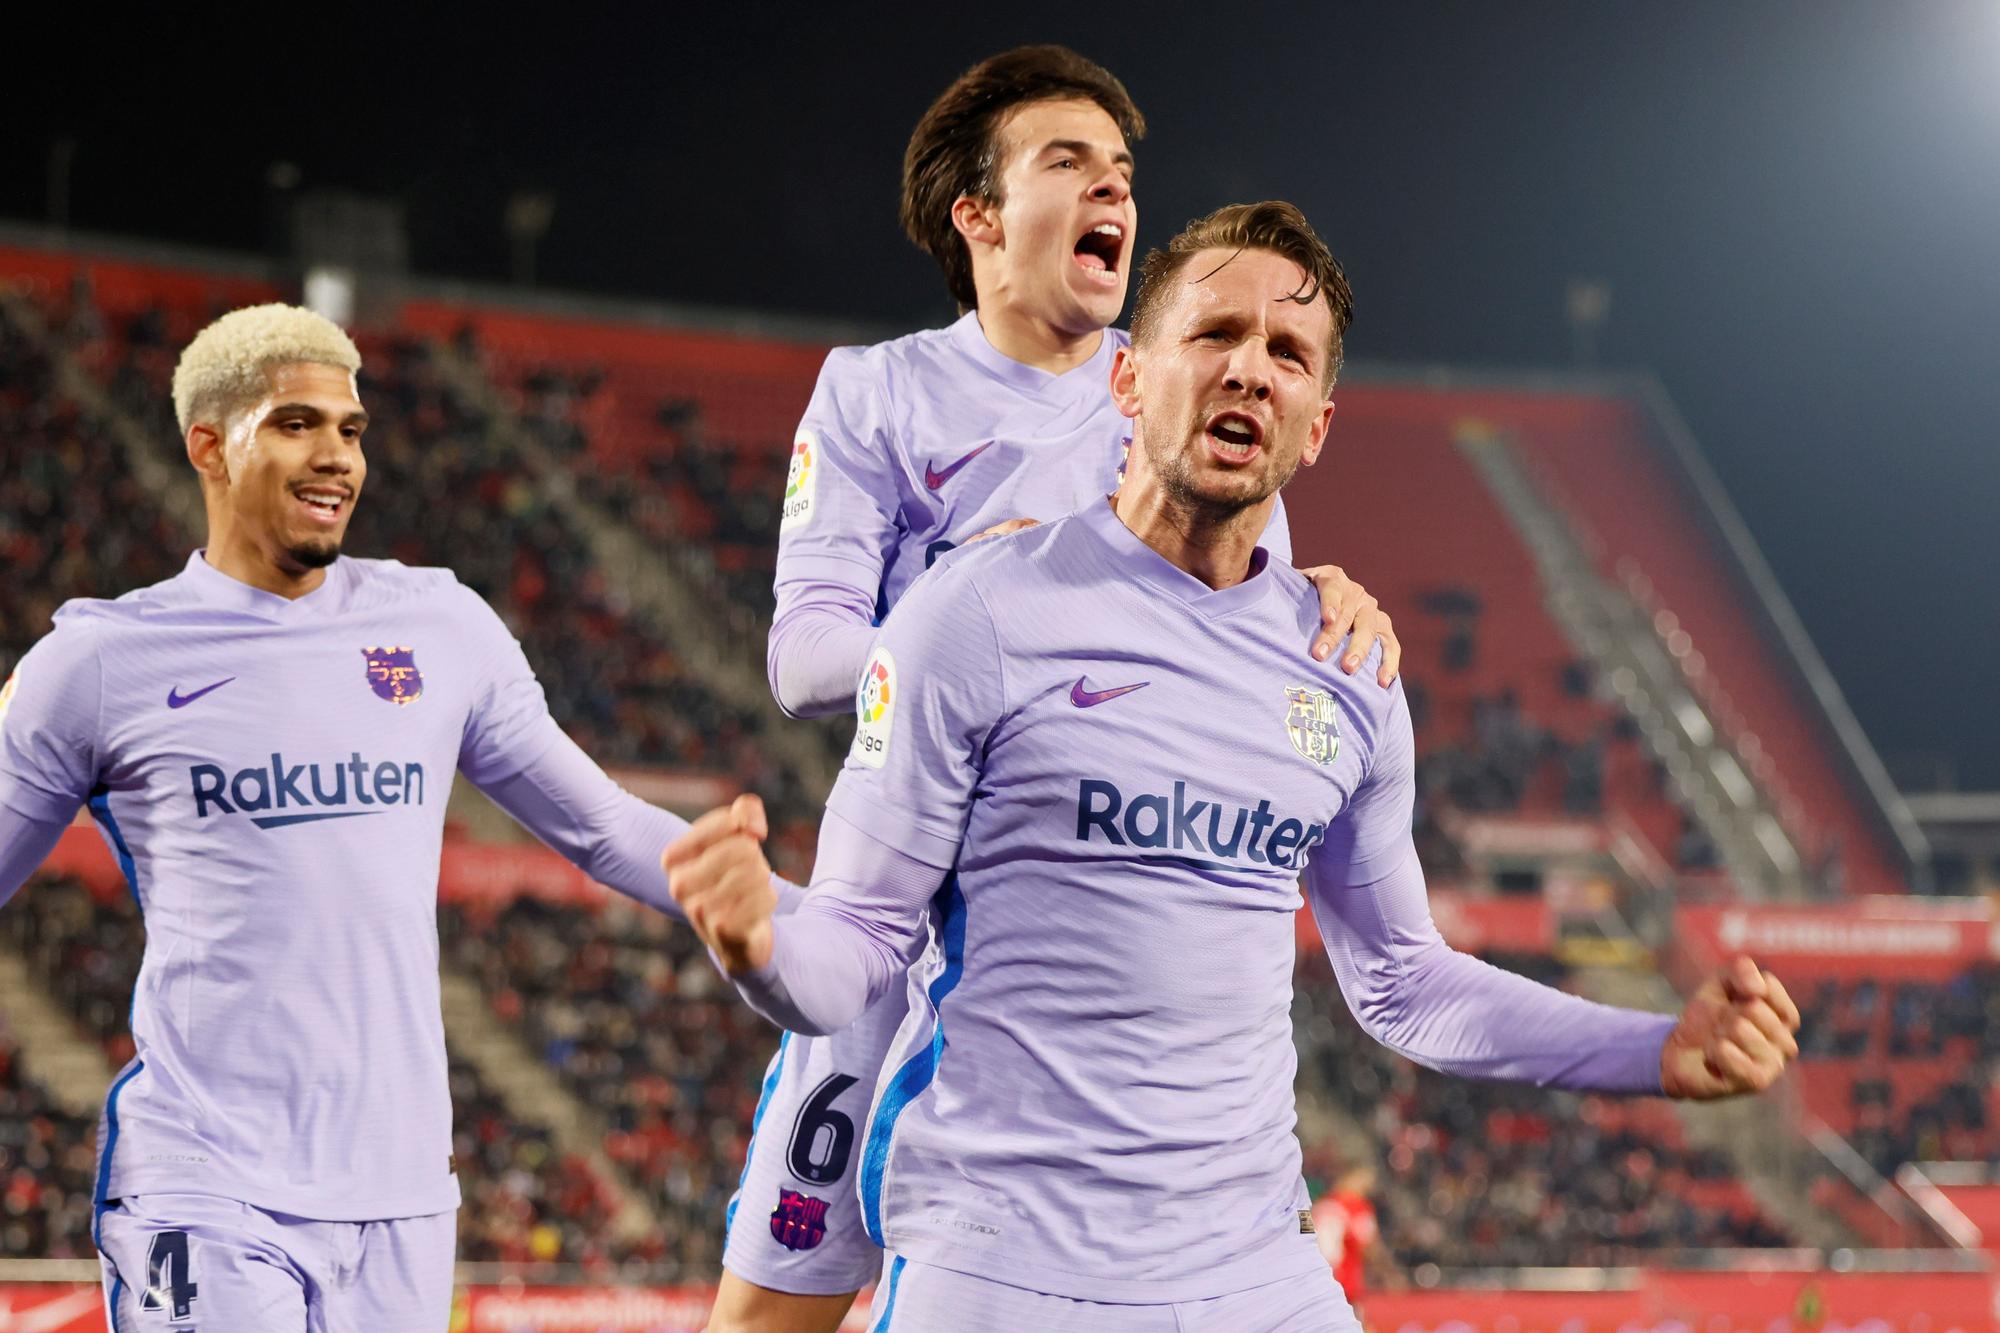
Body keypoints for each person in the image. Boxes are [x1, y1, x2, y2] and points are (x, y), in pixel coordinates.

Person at [670, 201, 1802, 1331]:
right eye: (1213, 335)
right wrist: (758, 943)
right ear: (1126, 383)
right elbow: (859, 948)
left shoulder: (1347, 666)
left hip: (1257, 1277)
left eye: (1286, 353)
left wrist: (1651, 1048)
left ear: (1314, 426)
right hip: (1005, 1272)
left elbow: (1402, 980)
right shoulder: (969, 616)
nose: (1250, 370)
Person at [728, 45, 1401, 1332]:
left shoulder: (1180, 379)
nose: (1113, 189)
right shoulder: (877, 393)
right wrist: (972, 596)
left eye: (1123, 170)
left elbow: (1237, 614)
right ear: (975, 217)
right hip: (897, 933)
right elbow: (801, 660)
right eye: (1068, 162)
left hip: (1067, 939)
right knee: (770, 1312)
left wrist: (1325, 594)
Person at [0, 304, 772, 1332]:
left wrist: (808, 918)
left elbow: (601, 827)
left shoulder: (438, 624)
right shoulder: (99, 663)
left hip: (402, 1195)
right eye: (295, 424)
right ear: (207, 446)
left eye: (350, 430)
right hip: (204, 1180)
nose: (336, 458)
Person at [1311, 1166, 1381, 1315]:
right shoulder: (1356, 1206)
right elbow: (1369, 1246)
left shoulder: (1322, 1204)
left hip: (1318, 1281)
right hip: (1346, 1282)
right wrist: (1389, 1274)